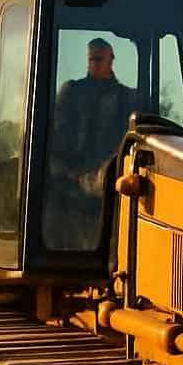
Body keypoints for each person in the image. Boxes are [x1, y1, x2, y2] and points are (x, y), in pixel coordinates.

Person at [46, 37, 137, 249]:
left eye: (98, 59)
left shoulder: (127, 98)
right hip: (69, 187)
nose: (93, 64)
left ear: (111, 60)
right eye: (91, 59)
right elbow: (55, 138)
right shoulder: (71, 93)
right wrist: (68, 172)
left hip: (110, 186)